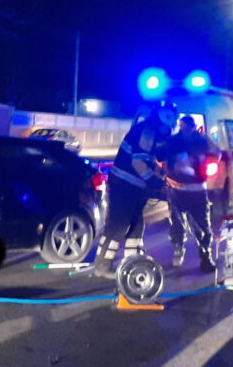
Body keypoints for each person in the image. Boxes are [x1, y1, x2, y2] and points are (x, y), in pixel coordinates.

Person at [92, 100, 178, 279]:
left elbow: (149, 160)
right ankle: (102, 265)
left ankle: (132, 263)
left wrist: (161, 176)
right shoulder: (147, 131)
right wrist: (154, 182)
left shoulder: (151, 132)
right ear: (163, 119)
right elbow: (137, 162)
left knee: (136, 225)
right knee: (119, 225)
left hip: (134, 185)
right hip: (124, 184)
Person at [159, 115, 217, 272]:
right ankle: (178, 250)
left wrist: (209, 164)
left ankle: (205, 256)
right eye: (185, 126)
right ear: (181, 126)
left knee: (203, 226)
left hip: (197, 190)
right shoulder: (172, 142)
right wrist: (167, 172)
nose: (187, 129)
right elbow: (161, 159)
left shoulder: (203, 140)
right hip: (177, 190)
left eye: (190, 126)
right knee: (177, 224)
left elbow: (216, 153)